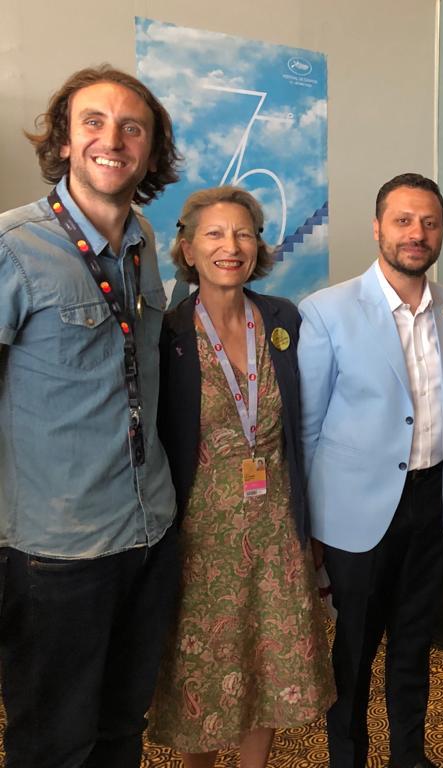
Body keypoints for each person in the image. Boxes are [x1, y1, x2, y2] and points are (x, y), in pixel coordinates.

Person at [0, 65, 181, 767]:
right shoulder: (14, 246)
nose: (114, 139)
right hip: (57, 553)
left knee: (121, 728)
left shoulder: (142, 242)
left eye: (133, 127)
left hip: (147, 531)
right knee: (54, 743)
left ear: (151, 152)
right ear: (64, 142)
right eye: (94, 122)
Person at [148, 186, 335, 767]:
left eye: (243, 233)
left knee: (270, 668)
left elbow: (308, 426)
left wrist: (313, 525)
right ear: (187, 248)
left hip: (277, 531)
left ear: (258, 246)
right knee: (202, 674)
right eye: (214, 233)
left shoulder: (284, 319)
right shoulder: (167, 335)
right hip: (201, 539)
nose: (230, 246)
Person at [297, 173, 443, 768]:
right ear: (377, 228)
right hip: (356, 515)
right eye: (403, 220)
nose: (416, 233)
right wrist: (309, 526)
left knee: (415, 644)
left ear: (441, 231)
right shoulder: (326, 311)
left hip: (435, 505)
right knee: (353, 650)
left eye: (429, 222)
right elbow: (307, 429)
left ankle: (410, 756)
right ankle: (347, 758)